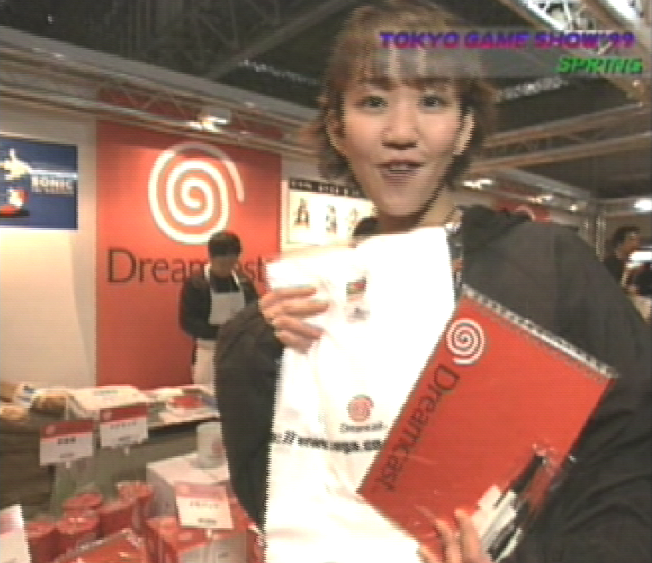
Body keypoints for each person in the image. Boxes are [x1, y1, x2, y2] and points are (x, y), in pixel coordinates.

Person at [215, 1, 651, 562]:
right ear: (338, 129)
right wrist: (261, 351)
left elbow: (632, 453)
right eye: (373, 102)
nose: (402, 132)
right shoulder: (309, 303)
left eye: (432, 101)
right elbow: (280, 503)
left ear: (464, 127)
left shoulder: (548, 267)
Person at [179, 231, 258, 387]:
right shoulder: (196, 284)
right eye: (222, 264)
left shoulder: (244, 283)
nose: (227, 268)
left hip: (239, 353)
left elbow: (255, 313)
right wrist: (224, 331)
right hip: (208, 354)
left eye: (232, 263)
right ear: (211, 257)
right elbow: (187, 322)